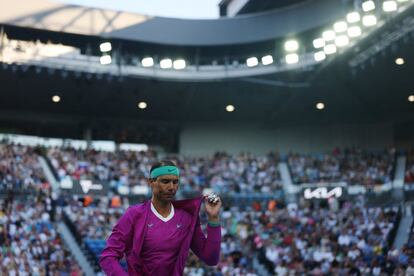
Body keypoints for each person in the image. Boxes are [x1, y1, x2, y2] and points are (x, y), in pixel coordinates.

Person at [100, 160, 222, 276]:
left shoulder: (187, 218)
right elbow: (108, 256)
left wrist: (213, 218)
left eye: (175, 182)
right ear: (151, 182)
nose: (171, 187)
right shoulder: (134, 214)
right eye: (165, 181)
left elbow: (210, 258)